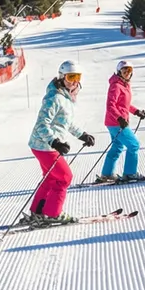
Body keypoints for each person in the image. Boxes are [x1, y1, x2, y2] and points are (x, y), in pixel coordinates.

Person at [24, 60, 97, 227]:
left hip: (43, 145)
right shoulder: (55, 97)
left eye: (77, 77)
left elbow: (66, 123)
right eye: (71, 77)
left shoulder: (65, 97)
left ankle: (38, 211)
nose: (74, 81)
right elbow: (42, 124)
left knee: (51, 178)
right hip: (45, 145)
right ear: (62, 77)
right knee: (65, 177)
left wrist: (83, 135)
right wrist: (55, 142)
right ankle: (52, 213)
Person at [100, 59, 145, 183]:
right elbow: (110, 105)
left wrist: (136, 111)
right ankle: (130, 173)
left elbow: (124, 105)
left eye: (129, 70)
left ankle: (107, 173)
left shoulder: (123, 85)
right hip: (117, 123)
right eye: (124, 70)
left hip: (114, 122)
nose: (127, 73)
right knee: (134, 145)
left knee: (117, 147)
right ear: (119, 71)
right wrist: (119, 118)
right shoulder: (116, 85)